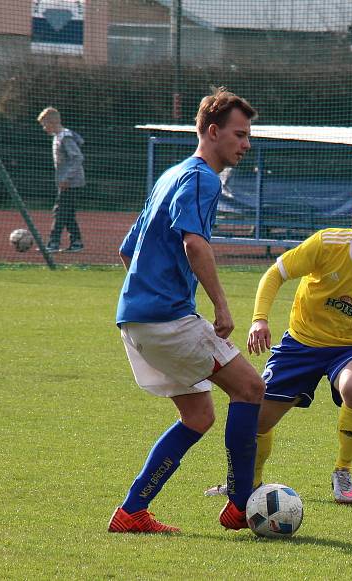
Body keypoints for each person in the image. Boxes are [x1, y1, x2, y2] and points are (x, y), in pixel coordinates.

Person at [206, 187, 352, 504]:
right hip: (302, 343)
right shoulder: (326, 243)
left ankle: (343, 470)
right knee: (257, 421)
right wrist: (259, 319)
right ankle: (249, 484)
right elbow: (275, 274)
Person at [108, 88, 265, 534]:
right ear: (212, 132)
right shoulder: (202, 179)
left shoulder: (169, 176)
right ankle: (239, 505)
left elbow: (127, 249)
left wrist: (150, 292)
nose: (245, 144)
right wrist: (218, 306)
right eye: (239, 134)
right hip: (165, 319)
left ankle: (131, 512)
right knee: (251, 387)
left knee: (198, 416)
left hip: (135, 318)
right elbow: (194, 242)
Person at [37, 107, 85, 253]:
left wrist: (66, 178)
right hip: (65, 182)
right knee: (68, 213)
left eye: (45, 125)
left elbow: (77, 157)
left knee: (60, 211)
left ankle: (53, 243)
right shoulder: (57, 137)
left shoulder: (65, 137)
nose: (44, 128)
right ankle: (76, 242)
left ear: (52, 122)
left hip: (71, 182)